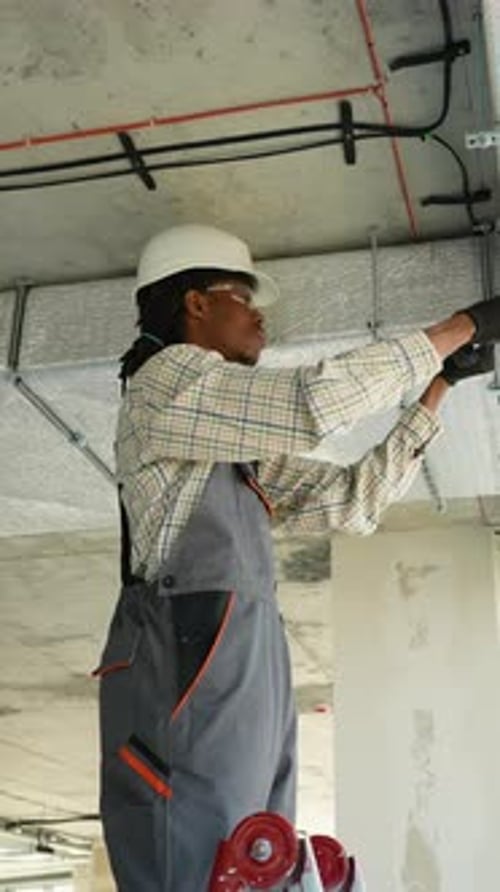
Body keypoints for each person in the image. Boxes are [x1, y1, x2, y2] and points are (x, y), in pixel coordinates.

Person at [94, 223, 498, 891]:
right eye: (243, 297)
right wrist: (464, 325)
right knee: (209, 861)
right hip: (191, 651)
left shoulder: (223, 441)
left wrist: (439, 387)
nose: (258, 317)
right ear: (195, 304)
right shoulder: (164, 384)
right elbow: (315, 401)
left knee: (250, 855)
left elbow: (349, 502)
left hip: (233, 651)